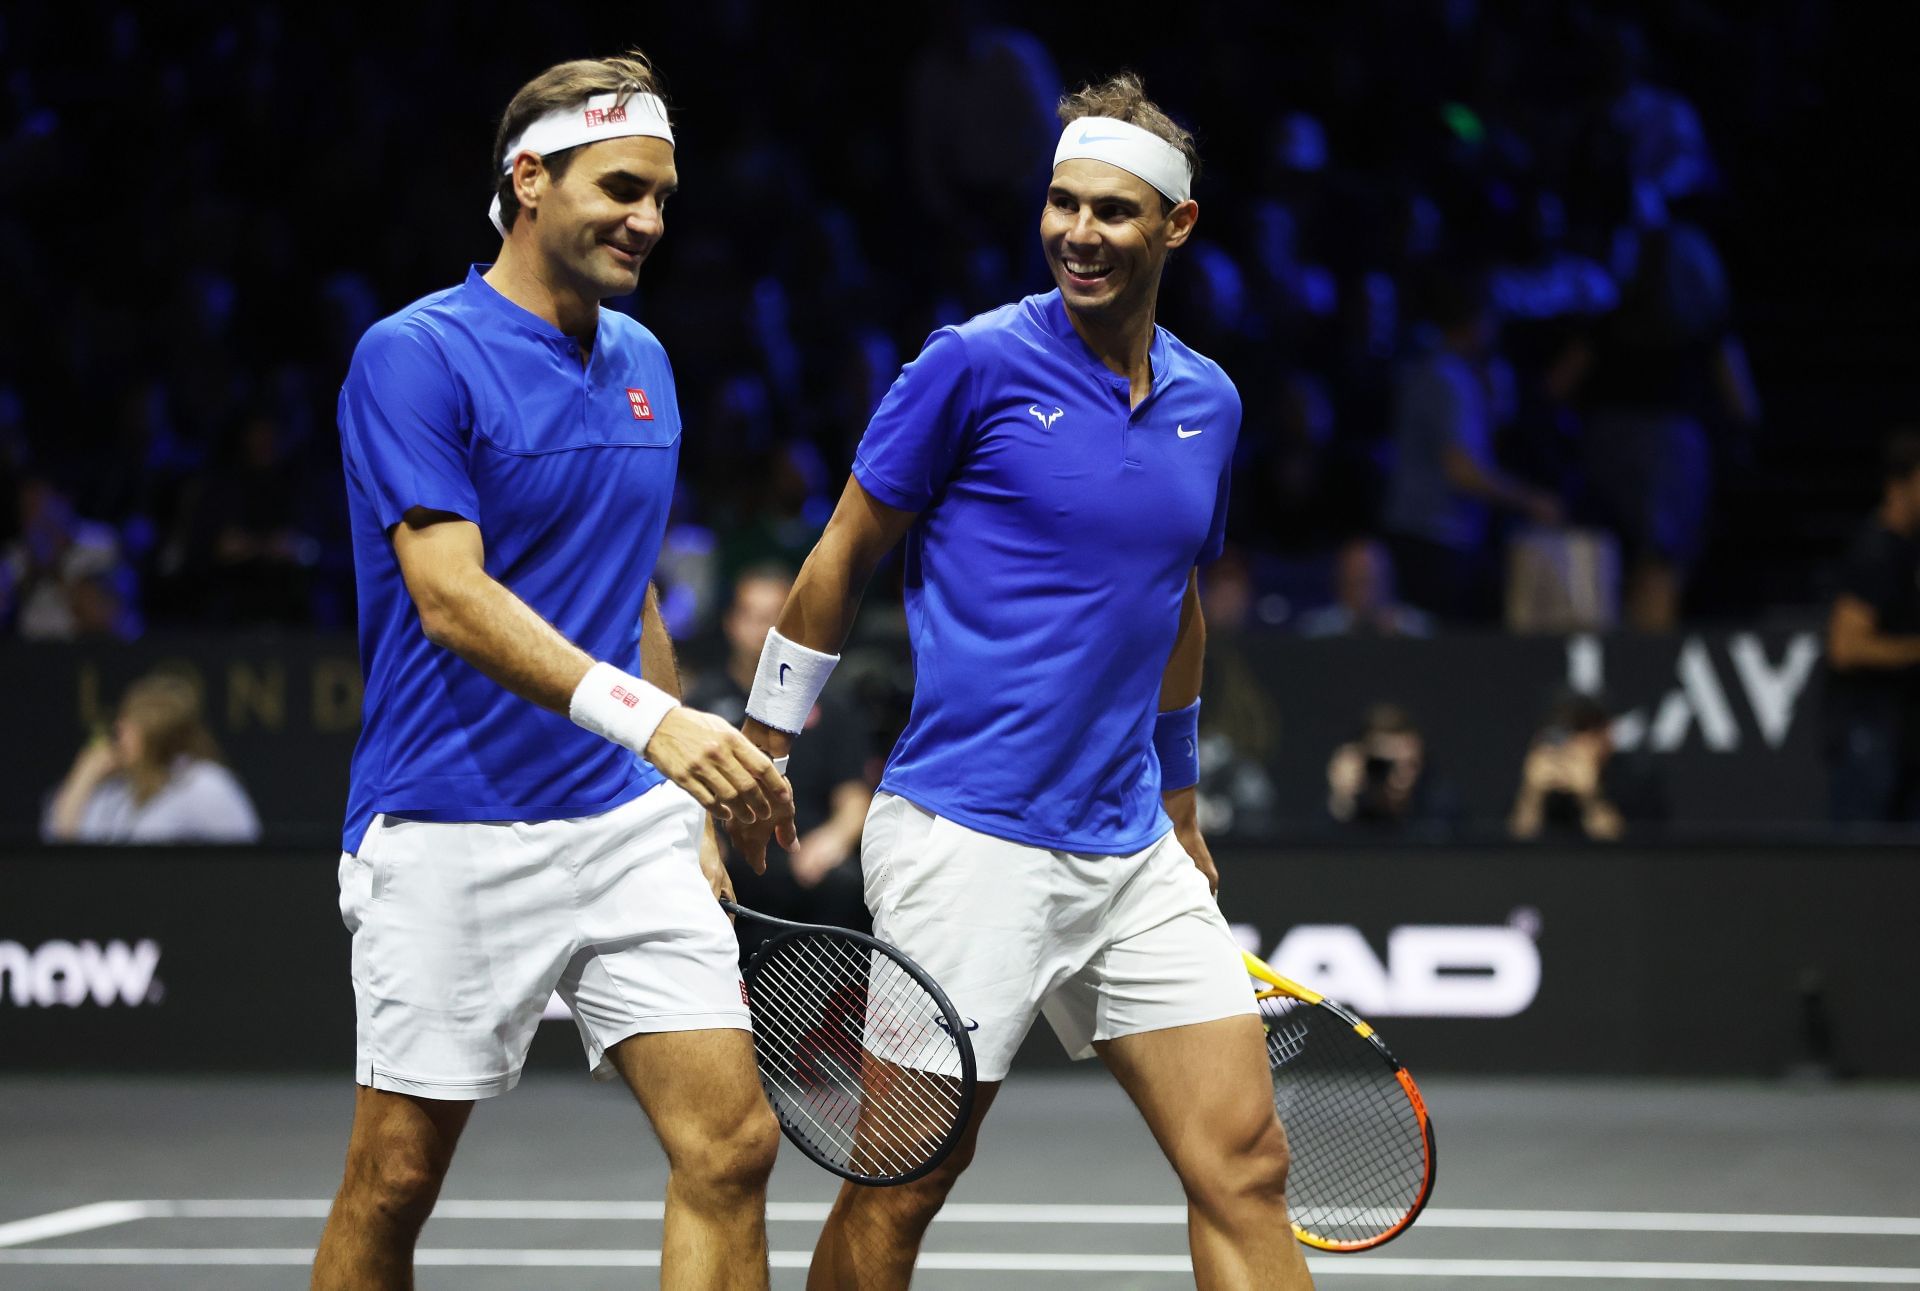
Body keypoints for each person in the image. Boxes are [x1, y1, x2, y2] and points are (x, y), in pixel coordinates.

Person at [733, 74, 1313, 1291]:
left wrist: (1181, 797)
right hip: (968, 840)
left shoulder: (1212, 401)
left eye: (1112, 212)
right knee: (903, 1180)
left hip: (1131, 852)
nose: (1079, 234)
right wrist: (766, 741)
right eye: (1062, 204)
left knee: (1244, 1163)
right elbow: (841, 551)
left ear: (1177, 228)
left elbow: (1177, 605)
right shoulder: (972, 366)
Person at [310, 54, 793, 1291]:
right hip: (449, 823)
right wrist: (661, 729)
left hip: (623, 822)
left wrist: (678, 794)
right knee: (397, 1178)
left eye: (665, 195)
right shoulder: (412, 356)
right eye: (623, 187)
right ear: (529, 180)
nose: (650, 219)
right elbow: (451, 599)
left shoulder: (645, 359)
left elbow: (621, 581)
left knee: (731, 1146)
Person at [687, 565, 873, 930]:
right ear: (731, 622)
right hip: (730, 857)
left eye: (773, 619)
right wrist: (706, 844)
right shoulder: (701, 704)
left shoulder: (832, 703)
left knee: (845, 881)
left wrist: (833, 841)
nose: (761, 631)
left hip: (807, 856)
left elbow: (854, 796)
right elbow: (685, 794)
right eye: (752, 617)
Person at [1381, 268, 1563, 623]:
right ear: (1477, 320)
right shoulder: (1449, 378)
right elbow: (1461, 470)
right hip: (1433, 540)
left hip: (1427, 536)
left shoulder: (1436, 370)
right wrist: (1532, 501)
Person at [1824, 430, 1920, 823]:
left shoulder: (1908, 550)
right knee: (1862, 862)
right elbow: (1845, 647)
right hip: (1868, 733)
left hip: (1903, 733)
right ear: (1901, 483)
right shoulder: (1874, 551)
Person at [43, 672, 260, 843]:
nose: (118, 730)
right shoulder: (116, 793)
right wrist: (85, 773)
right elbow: (60, 846)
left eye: (132, 721)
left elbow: (247, 854)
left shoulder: (202, 784)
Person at [1324, 703, 1454, 830]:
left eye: (1412, 765)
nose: (1401, 778)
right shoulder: (1344, 815)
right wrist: (1342, 799)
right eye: (1386, 765)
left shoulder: (1443, 816)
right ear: (1364, 764)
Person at [1294, 537, 1435, 638]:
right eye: (1357, 582)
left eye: (1371, 581)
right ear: (1341, 582)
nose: (1365, 592)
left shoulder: (1414, 626)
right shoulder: (1317, 627)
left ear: (1388, 581)